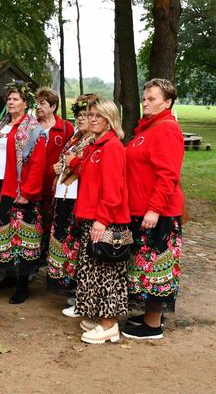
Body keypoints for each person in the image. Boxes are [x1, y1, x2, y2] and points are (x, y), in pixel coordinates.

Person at [122, 78, 184, 340]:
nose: (146, 103)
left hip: (158, 212)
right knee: (143, 266)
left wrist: (154, 209)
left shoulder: (166, 129)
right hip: (140, 208)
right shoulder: (147, 128)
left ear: (167, 102)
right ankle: (148, 314)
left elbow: (168, 175)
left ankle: (153, 324)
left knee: (156, 267)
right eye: (144, 98)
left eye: (153, 99)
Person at [66, 96, 129, 345]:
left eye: (98, 116)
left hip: (106, 220)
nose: (92, 119)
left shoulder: (112, 147)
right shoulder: (95, 144)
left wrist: (102, 220)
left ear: (110, 120)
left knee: (106, 272)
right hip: (90, 217)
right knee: (92, 271)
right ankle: (100, 317)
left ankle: (109, 325)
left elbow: (113, 190)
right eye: (90, 115)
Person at [0, 80, 47, 304]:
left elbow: (37, 165)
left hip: (18, 188)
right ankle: (8, 278)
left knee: (19, 236)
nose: (10, 101)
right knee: (2, 232)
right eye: (9, 98)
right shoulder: (0, 125)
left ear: (25, 102)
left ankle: (22, 285)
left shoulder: (33, 130)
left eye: (16, 98)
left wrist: (27, 191)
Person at [47, 95, 93, 303]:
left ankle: (77, 289)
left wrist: (70, 164)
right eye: (79, 115)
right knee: (63, 239)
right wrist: (57, 168)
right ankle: (65, 284)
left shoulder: (94, 140)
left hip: (79, 196)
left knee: (75, 241)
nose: (81, 119)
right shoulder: (75, 138)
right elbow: (62, 161)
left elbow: (87, 167)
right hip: (64, 194)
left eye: (85, 115)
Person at [35, 87, 74, 256]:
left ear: (53, 106)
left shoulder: (65, 128)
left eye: (42, 103)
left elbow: (72, 154)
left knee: (52, 223)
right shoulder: (31, 127)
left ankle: (48, 255)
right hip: (33, 185)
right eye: (37, 103)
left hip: (54, 188)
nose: (38, 106)